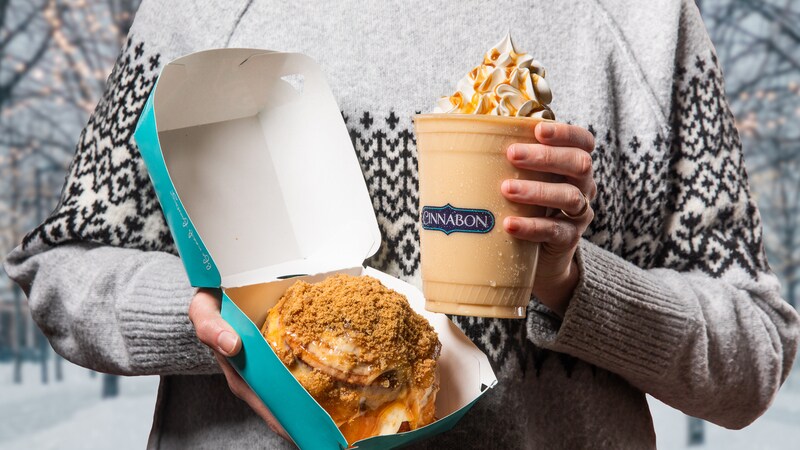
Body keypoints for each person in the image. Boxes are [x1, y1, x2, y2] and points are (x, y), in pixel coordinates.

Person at [5, 0, 799, 448]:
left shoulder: (644, 18)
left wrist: (573, 284)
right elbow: (65, 270)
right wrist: (222, 320)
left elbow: (753, 356)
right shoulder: (203, 9)